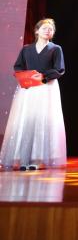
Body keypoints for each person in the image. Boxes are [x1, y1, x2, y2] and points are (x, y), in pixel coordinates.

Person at [0, 18, 67, 171]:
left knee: (42, 121)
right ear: (37, 31)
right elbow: (18, 66)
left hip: (46, 87)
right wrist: (25, 76)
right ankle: (21, 158)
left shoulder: (55, 49)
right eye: (44, 28)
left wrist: (43, 76)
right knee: (26, 120)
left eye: (50, 29)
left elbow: (59, 69)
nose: (48, 30)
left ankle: (39, 159)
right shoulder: (26, 49)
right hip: (29, 88)